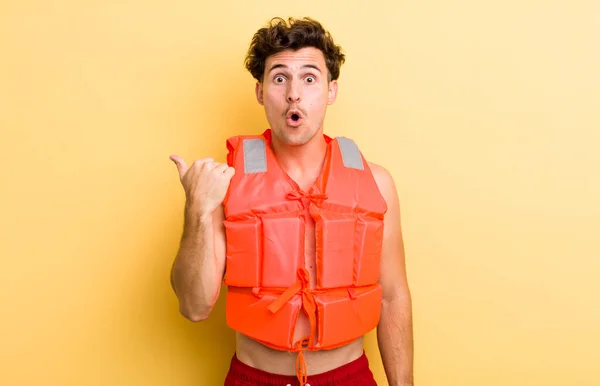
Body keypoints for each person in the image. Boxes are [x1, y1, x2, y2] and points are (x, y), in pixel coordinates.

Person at [169, 17, 414, 386]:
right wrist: (197, 211)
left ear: (331, 91)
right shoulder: (225, 185)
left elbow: (394, 297)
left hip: (348, 376)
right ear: (260, 91)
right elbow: (193, 306)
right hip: (254, 377)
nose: (294, 94)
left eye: (309, 78)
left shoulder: (376, 182)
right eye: (280, 78)